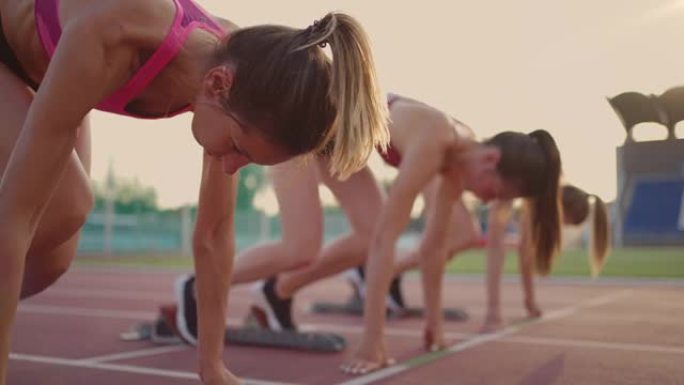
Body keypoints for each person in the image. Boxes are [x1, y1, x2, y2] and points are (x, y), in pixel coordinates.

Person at [0, 1, 390, 383]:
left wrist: (213, 368)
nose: (232, 166)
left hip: (49, 62)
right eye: (239, 148)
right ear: (217, 84)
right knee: (62, 207)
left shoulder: (241, 73)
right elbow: (15, 214)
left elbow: (215, 236)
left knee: (52, 260)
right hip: (20, 47)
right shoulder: (115, 35)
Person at [170, 93, 563, 375]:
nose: (486, 199)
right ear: (491, 160)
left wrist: (435, 326)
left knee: (364, 236)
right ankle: (196, 285)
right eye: (494, 192)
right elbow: (386, 242)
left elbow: (432, 248)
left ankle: (274, 293)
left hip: (337, 146)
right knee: (302, 245)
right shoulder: (435, 140)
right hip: (299, 125)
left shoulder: (459, 162)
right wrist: (373, 339)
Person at [346, 184, 610, 333]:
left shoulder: (543, 193)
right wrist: (493, 312)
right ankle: (372, 275)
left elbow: (525, 253)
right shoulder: (532, 187)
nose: (557, 226)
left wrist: (529, 299)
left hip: (451, 180)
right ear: (560, 208)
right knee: (455, 241)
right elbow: (496, 244)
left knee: (451, 245)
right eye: (562, 221)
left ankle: (380, 274)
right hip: (441, 171)